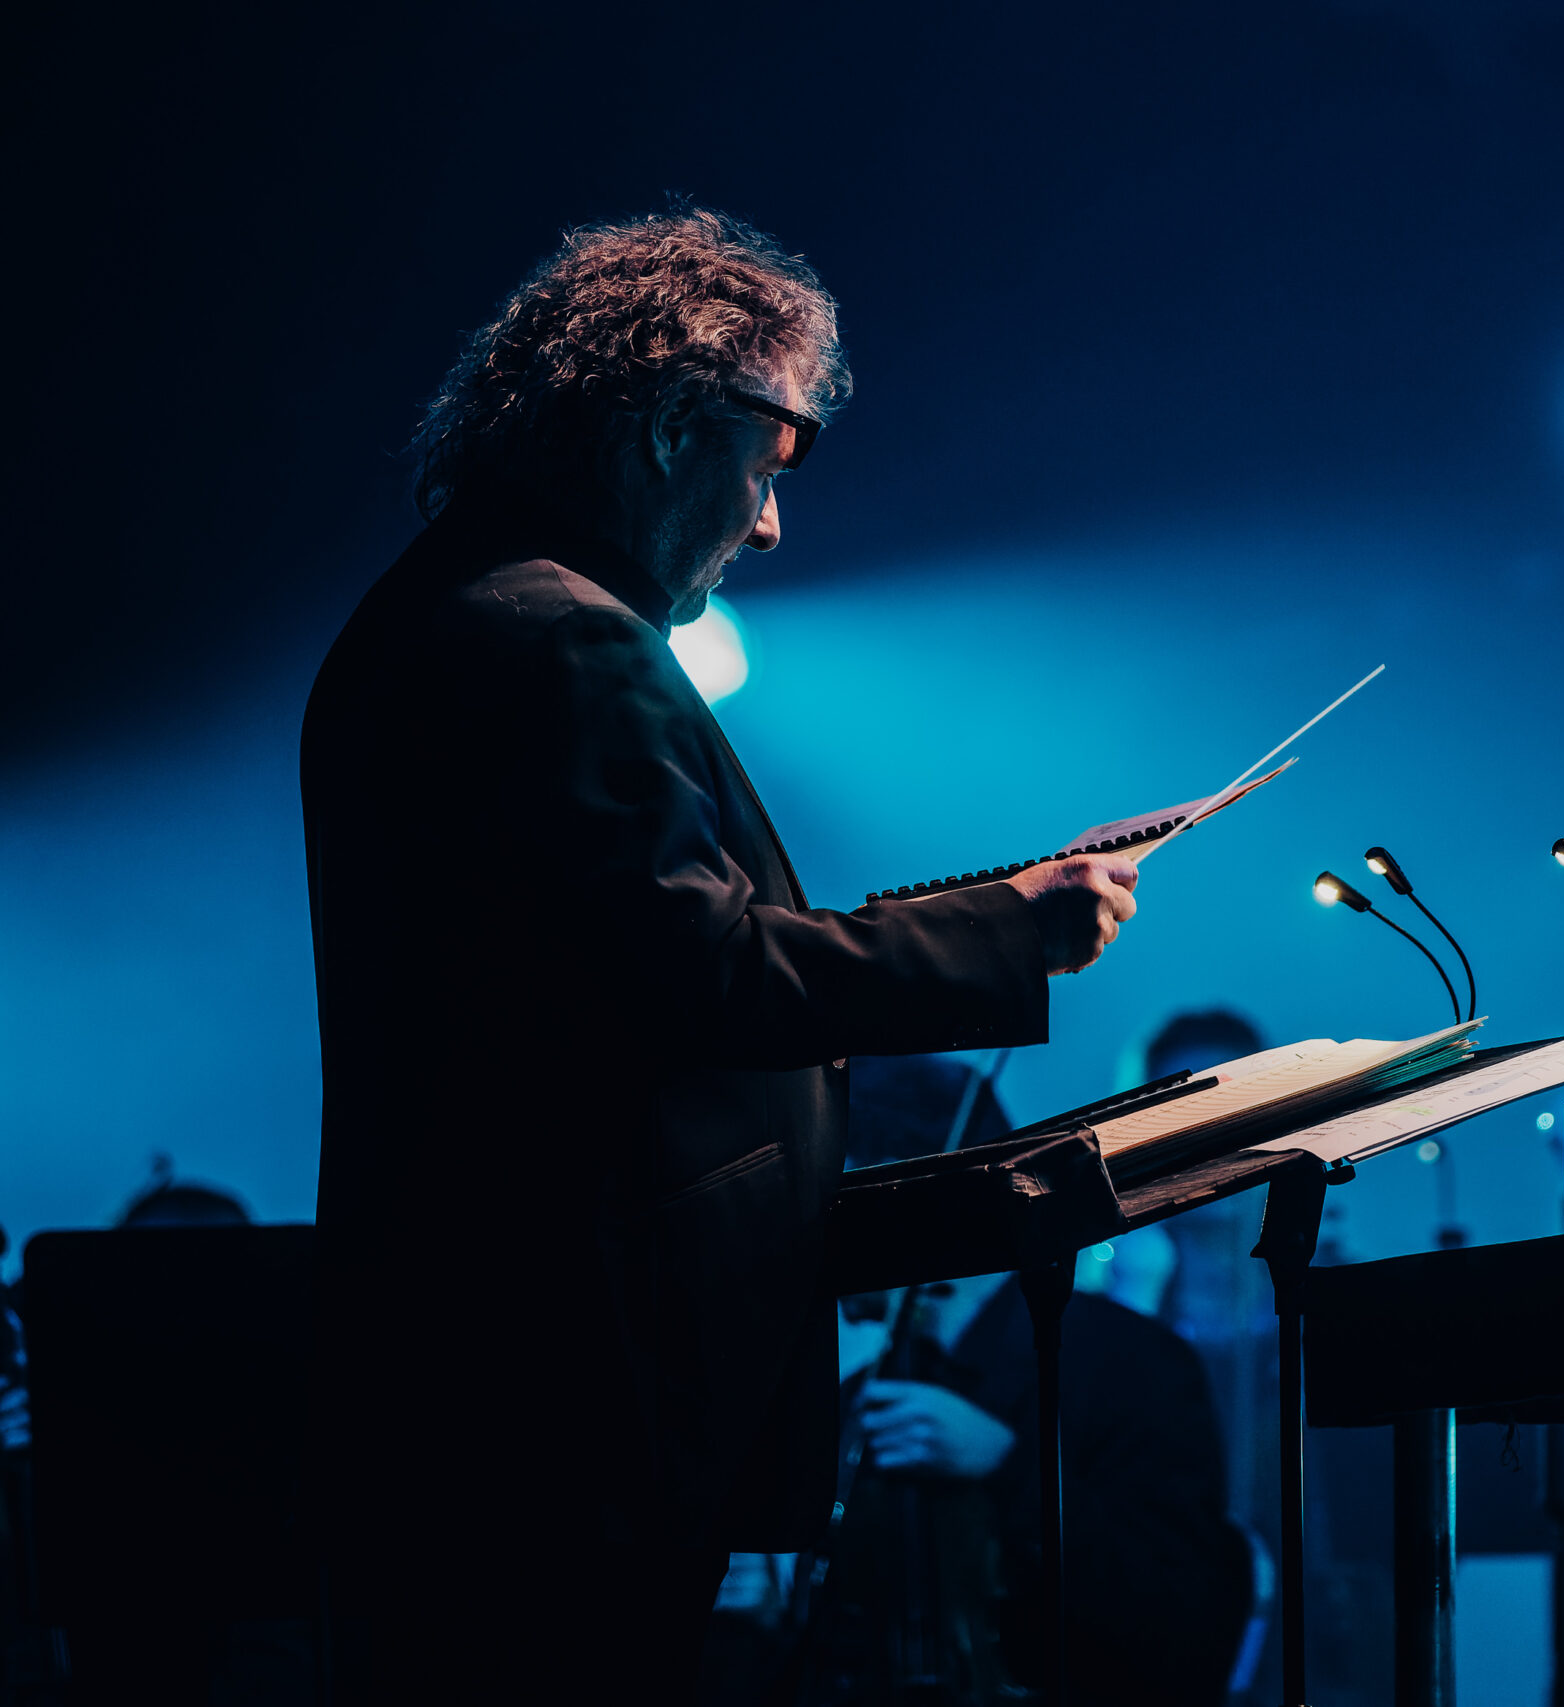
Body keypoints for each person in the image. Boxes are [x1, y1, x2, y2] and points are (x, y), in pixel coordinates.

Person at [300, 206, 1141, 1706]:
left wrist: (988, 910)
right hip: (565, 1393)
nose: (768, 525)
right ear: (670, 426)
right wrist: (1014, 933)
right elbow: (708, 974)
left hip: (490, 1377)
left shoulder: (459, 609)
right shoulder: (555, 637)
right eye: (776, 456)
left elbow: (637, 950)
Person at [778, 1057, 1253, 1707]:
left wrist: (1008, 1466)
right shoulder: (863, 1390)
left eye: (838, 1200)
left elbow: (1187, 1619)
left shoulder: (1135, 1363)